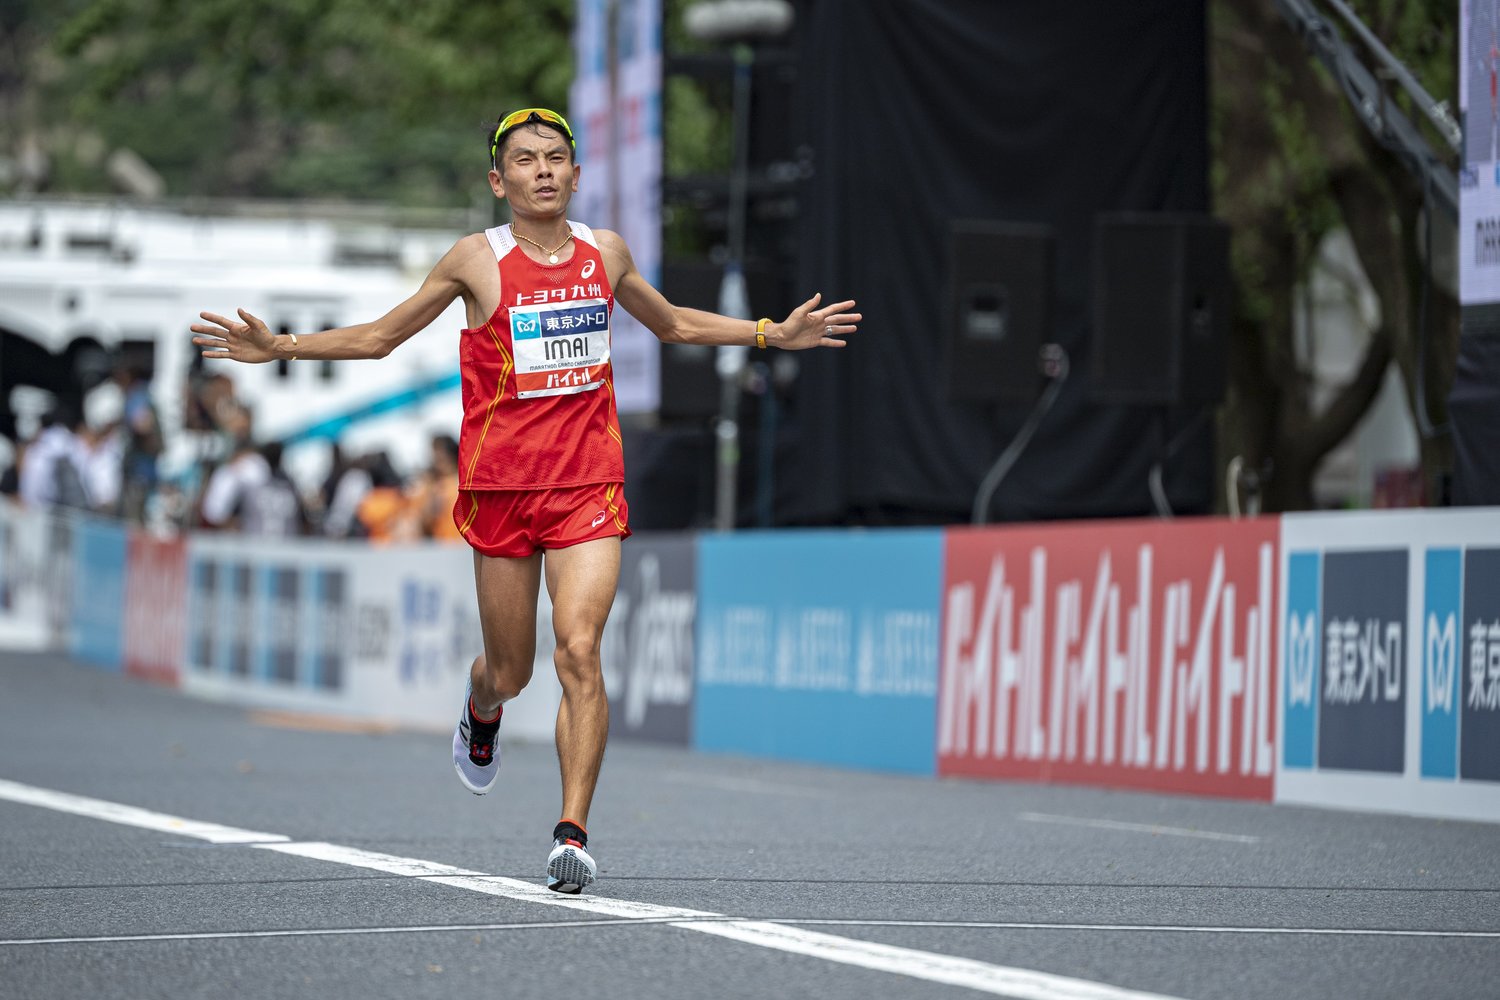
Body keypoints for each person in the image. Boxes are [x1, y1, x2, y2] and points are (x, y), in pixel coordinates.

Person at [190, 106, 860, 894]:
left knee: (579, 649)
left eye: (555, 157)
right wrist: (281, 348)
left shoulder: (604, 253)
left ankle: (571, 831)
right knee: (511, 670)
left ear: (576, 174)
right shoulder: (476, 260)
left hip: (587, 484)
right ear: (497, 179)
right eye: (524, 159)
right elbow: (380, 338)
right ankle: (482, 710)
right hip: (502, 490)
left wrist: (767, 334)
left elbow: (672, 324)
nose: (542, 169)